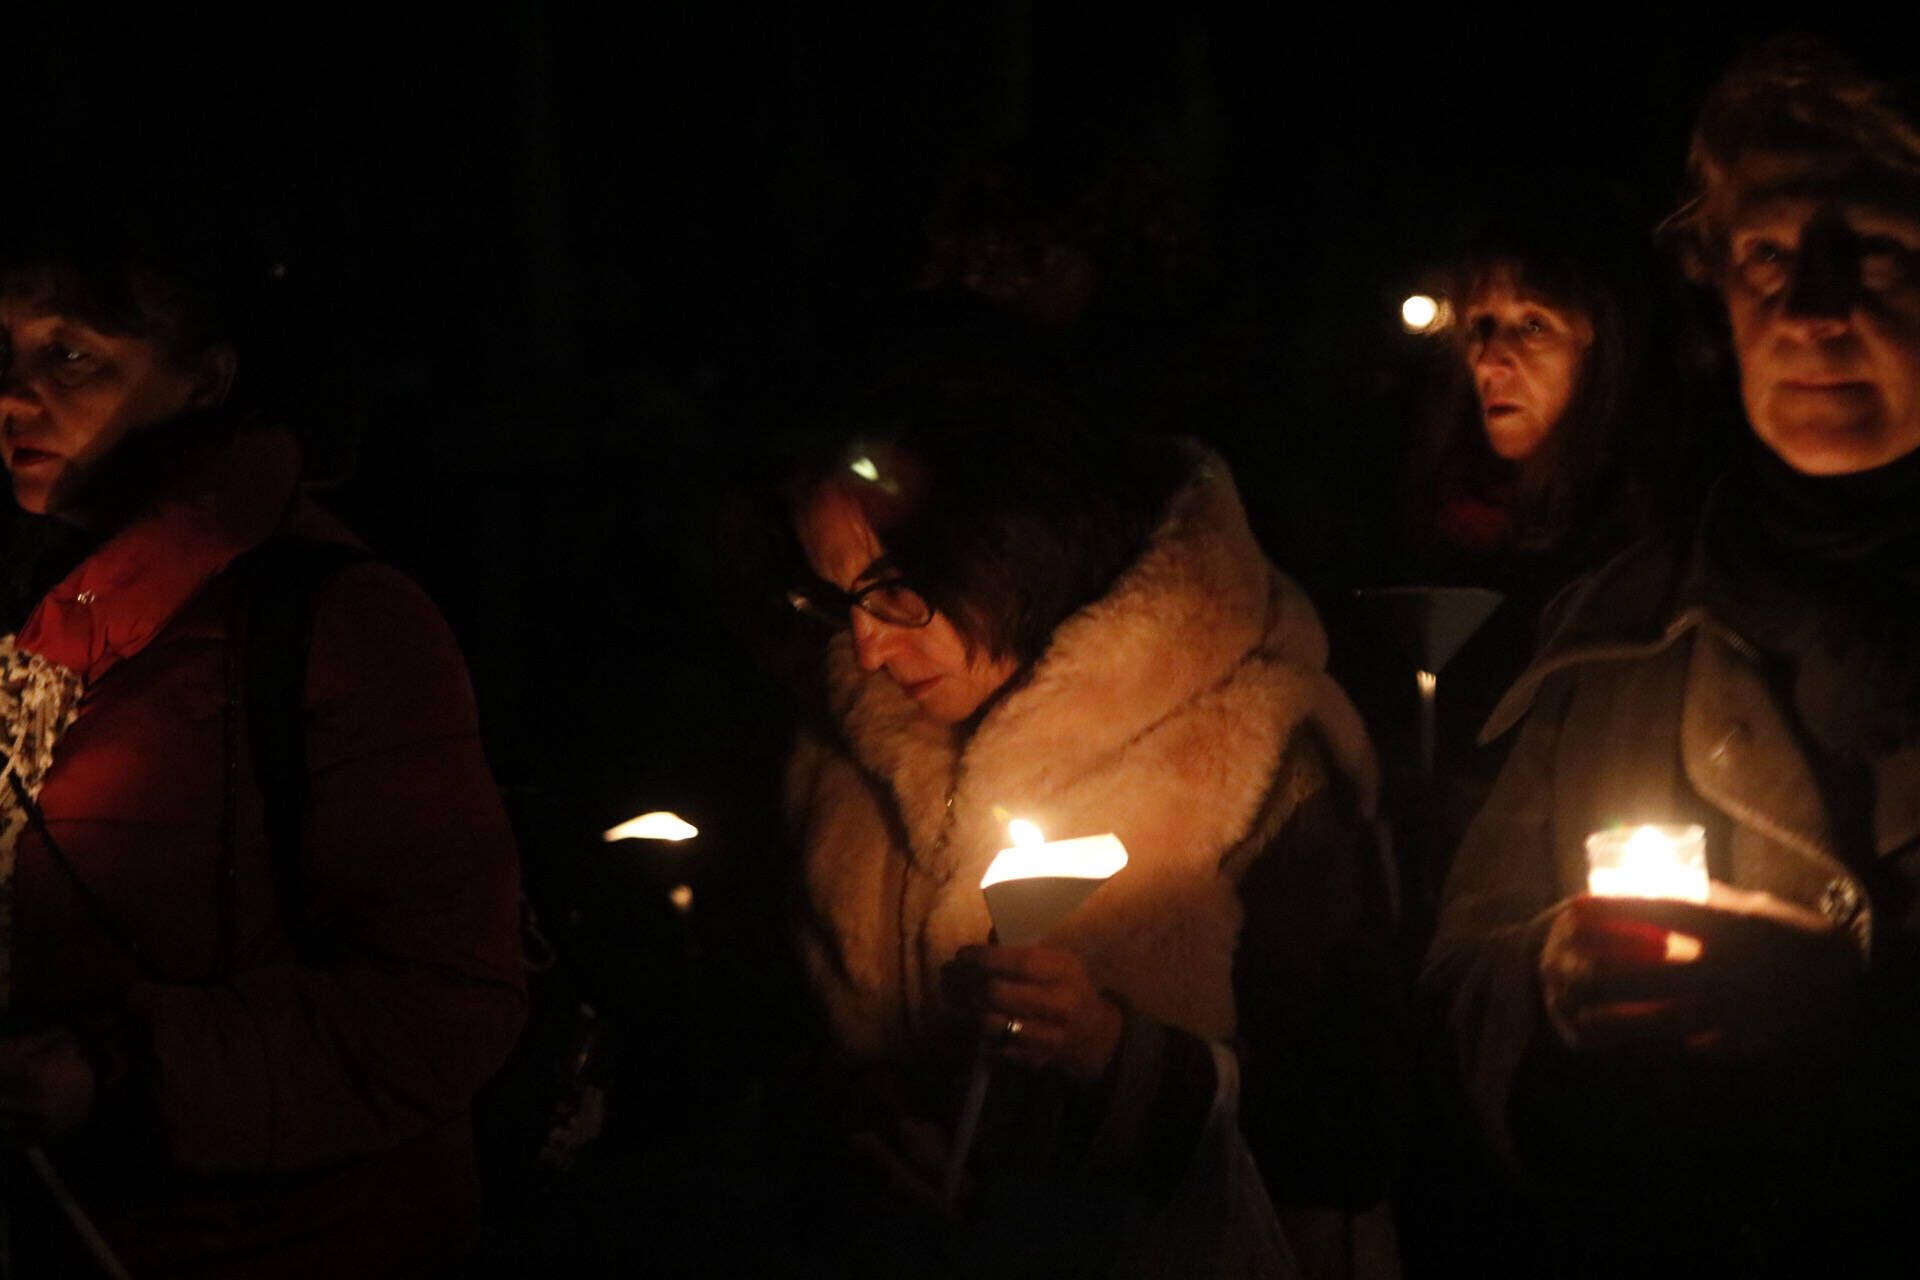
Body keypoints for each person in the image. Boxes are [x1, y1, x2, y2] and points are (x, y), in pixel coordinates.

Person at [1424, 39, 1920, 1274]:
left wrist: (1853, 1017)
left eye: (1875, 247)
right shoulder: (1613, 633)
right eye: (1766, 256)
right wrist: (1548, 992)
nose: (1812, 309)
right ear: (1715, 285)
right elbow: (1460, 981)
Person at [0, 197, 524, 1275]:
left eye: (74, 356)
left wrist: (115, 1072)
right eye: (5, 351)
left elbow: (444, 999)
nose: (15, 395)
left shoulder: (338, 625)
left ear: (207, 378)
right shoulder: (34, 621)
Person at [775, 383, 1404, 1279]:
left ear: (1004, 546)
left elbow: (1350, 1131)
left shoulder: (1257, 744)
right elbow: (765, 1048)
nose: (868, 649)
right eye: (843, 601)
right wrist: (867, 1124)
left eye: (895, 591)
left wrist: (1122, 1061)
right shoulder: (844, 763)